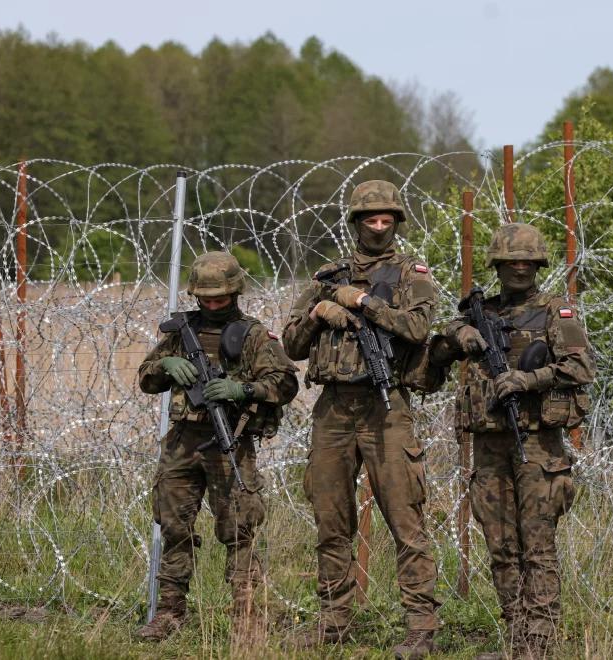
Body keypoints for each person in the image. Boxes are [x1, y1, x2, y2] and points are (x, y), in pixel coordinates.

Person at [281, 180, 441, 659]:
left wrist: (364, 302)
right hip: (333, 408)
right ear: (355, 223)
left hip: (385, 407)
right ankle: (334, 621)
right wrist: (320, 311)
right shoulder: (327, 275)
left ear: (396, 221)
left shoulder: (412, 274)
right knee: (331, 520)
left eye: (385, 219)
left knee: (404, 518)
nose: (378, 226)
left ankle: (421, 627)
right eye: (369, 219)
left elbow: (417, 327)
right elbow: (291, 345)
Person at [431, 222, 595, 659]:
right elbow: (435, 354)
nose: (519, 269)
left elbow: (580, 368)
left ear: (538, 265)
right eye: (510, 262)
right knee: (501, 546)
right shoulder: (480, 315)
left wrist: (527, 379)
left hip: (537, 446)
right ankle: (516, 637)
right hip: (489, 446)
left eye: (527, 262)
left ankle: (537, 646)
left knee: (537, 548)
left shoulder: (553, 312)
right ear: (498, 266)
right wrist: (457, 334)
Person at [136, 251, 298, 642]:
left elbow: (287, 383)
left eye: (219, 298)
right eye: (205, 299)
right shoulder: (181, 332)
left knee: (239, 529)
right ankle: (170, 613)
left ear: (235, 293)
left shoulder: (253, 334)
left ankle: (245, 614)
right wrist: (165, 366)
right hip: (182, 441)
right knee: (174, 526)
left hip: (230, 442)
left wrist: (243, 388)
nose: (211, 305)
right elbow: (146, 377)